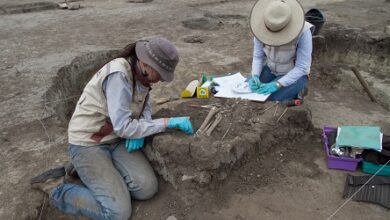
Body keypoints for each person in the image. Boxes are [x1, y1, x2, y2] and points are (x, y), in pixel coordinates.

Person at [31, 37, 193, 220]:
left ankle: (90, 172)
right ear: (147, 64)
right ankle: (56, 188)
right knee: (118, 212)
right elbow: (123, 127)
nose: (162, 80)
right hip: (88, 143)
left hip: (115, 139)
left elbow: (144, 105)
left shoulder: (142, 75)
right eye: (161, 73)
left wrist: (143, 127)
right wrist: (166, 123)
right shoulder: (119, 75)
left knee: (147, 188)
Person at [248, 0, 314, 101]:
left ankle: (300, 89)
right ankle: (286, 90)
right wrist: (255, 75)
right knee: (251, 90)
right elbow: (258, 56)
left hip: (294, 74)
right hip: (271, 69)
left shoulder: (303, 32)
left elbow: (302, 67)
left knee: (272, 99)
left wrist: (278, 84)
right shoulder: (259, 28)